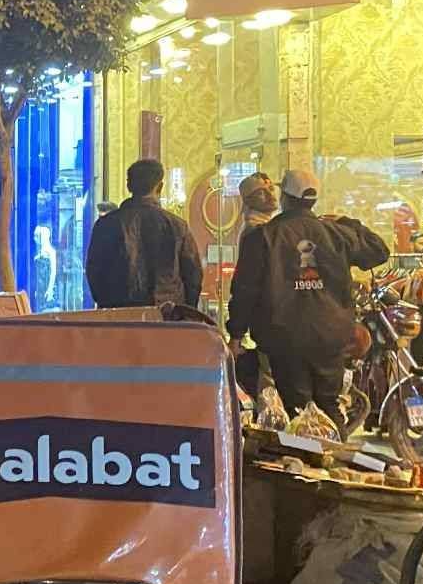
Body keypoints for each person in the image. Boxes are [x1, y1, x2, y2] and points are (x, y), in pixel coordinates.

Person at [226, 168, 387, 425]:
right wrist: (347, 221)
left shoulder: (263, 236)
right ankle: (333, 446)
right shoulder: (336, 232)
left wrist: (236, 334)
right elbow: (379, 251)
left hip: (285, 338)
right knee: (329, 404)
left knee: (297, 411)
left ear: (285, 198)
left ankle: (305, 448)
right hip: (331, 336)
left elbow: (245, 290)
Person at [85, 159, 204, 309]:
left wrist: (107, 304)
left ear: (129, 185)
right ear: (160, 186)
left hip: (118, 314)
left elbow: (94, 271)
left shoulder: (106, 225)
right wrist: (182, 310)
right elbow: (193, 276)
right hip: (165, 313)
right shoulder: (177, 226)